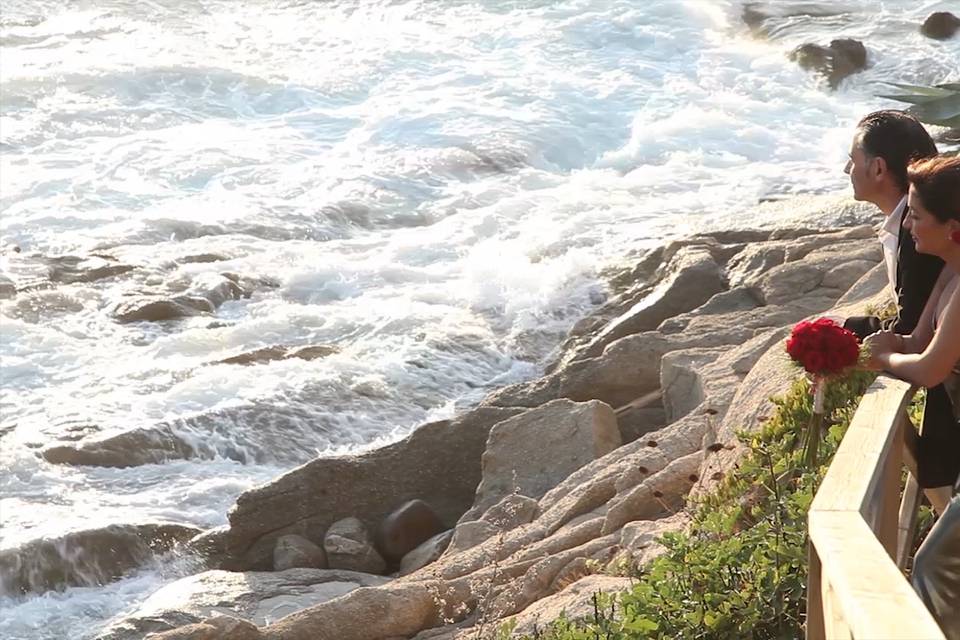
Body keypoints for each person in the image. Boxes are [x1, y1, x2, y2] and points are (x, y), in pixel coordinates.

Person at [864, 155, 960, 638]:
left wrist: (883, 362)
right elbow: (916, 343)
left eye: (917, 214)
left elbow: (929, 368)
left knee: (935, 563)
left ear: (954, 228)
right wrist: (888, 345)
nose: (907, 223)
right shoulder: (949, 271)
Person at [842, 110, 942, 339]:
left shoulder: (922, 233)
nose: (847, 169)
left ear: (878, 168)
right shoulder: (909, 217)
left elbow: (911, 329)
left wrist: (847, 328)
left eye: (853, 160)